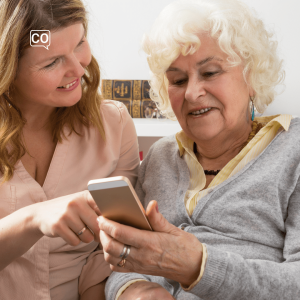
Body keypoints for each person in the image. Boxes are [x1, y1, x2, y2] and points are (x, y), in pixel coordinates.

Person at [99, 0, 300, 299]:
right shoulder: (160, 156)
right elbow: (126, 264)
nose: (192, 93)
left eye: (210, 73)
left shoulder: (293, 150)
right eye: (178, 80)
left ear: (252, 76)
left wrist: (199, 267)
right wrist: (136, 290)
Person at [0, 0, 139, 299]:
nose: (78, 68)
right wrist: (33, 219)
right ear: (8, 68)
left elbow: (110, 254)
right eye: (51, 62)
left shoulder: (114, 127)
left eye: (80, 43)